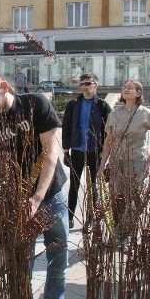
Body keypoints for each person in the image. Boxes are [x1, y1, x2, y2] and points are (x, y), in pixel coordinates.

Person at [0, 67, 71, 299]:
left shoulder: (35, 104)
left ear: (4, 87)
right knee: (20, 261)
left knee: (58, 257)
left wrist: (37, 198)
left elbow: (51, 154)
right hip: (14, 202)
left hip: (51, 195)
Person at [99, 80, 150, 243]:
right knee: (116, 198)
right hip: (116, 161)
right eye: (124, 87)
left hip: (136, 161)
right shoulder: (114, 114)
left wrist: (149, 160)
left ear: (138, 93)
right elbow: (109, 140)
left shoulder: (147, 114)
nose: (126, 90)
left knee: (134, 199)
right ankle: (116, 232)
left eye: (130, 88)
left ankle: (124, 234)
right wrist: (102, 163)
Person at [61, 73, 112, 229]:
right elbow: (66, 126)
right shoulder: (73, 104)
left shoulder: (103, 106)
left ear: (95, 85)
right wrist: (65, 150)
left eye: (88, 83)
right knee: (74, 185)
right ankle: (69, 218)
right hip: (76, 149)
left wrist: (105, 151)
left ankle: (91, 218)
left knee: (93, 186)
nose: (84, 87)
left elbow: (108, 131)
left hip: (94, 151)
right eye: (82, 84)